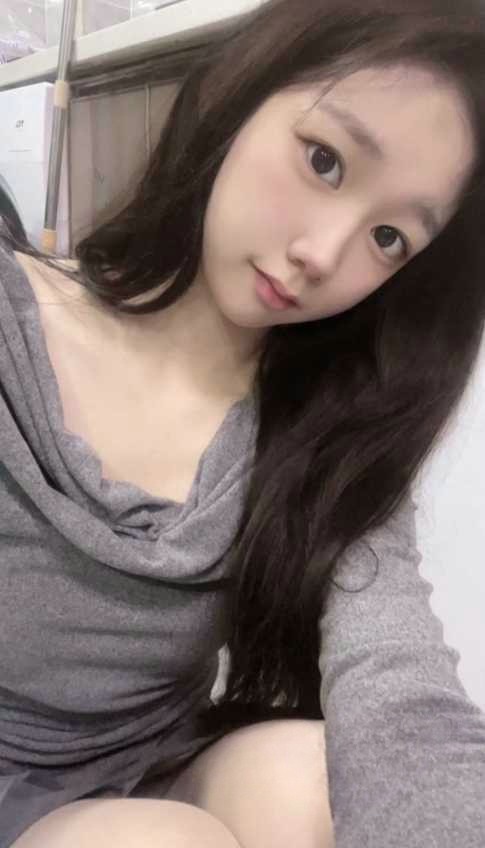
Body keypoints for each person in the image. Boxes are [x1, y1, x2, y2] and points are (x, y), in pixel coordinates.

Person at [1, 0, 485, 845]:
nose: (322, 255)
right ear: (242, 92)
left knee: (308, 780)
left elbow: (399, 687)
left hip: (143, 776)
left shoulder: (322, 431)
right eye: (325, 161)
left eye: (388, 237)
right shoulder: (15, 323)